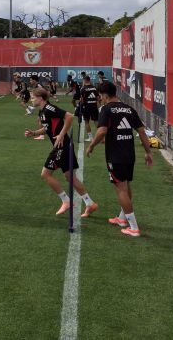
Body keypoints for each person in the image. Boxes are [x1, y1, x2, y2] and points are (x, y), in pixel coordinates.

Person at [86, 81, 152, 237]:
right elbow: (142, 132)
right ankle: (122, 219)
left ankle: (134, 227)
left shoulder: (106, 109)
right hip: (129, 154)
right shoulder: (129, 109)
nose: (99, 99)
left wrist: (92, 146)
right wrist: (148, 152)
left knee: (120, 189)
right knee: (126, 185)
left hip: (116, 155)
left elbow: (102, 131)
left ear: (105, 95)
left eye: (100, 96)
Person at [24, 87, 98, 217]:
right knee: (69, 177)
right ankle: (90, 203)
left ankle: (66, 200)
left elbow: (69, 116)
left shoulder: (49, 108)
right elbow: (47, 129)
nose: (32, 99)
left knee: (45, 174)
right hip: (64, 146)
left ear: (41, 98)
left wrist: (61, 134)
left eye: (33, 97)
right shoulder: (42, 112)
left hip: (61, 146)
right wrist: (34, 133)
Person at [79, 76, 100, 141]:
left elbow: (82, 99)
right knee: (96, 121)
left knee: (86, 122)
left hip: (86, 107)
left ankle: (90, 138)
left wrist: (80, 104)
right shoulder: (94, 88)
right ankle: (101, 136)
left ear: (84, 80)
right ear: (89, 80)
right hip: (94, 106)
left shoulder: (83, 88)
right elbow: (98, 98)